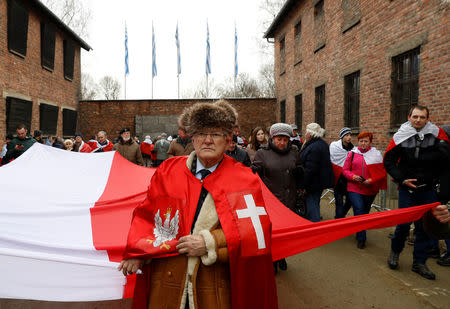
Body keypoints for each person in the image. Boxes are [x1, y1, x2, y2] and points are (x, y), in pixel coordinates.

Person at [118, 100, 277, 309]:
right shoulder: (168, 171)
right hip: (166, 282)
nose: (208, 140)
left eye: (216, 133)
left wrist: (209, 242)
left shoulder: (245, 178)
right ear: (192, 138)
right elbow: (147, 215)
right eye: (201, 133)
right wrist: (138, 252)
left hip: (212, 286)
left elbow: (255, 233)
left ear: (229, 140)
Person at [384, 105, 450, 280]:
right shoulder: (401, 136)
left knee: (424, 228)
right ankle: (395, 252)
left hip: (428, 189)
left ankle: (419, 262)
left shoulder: (437, 135)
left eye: (422, 117)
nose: (418, 120)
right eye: (415, 116)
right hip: (407, 189)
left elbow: (445, 160)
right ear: (409, 117)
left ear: (427, 119)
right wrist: (401, 179)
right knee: (403, 225)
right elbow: (389, 161)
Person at [251, 123, 302, 273]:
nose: (282, 143)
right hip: (271, 201)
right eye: (279, 139)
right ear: (272, 139)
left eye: (285, 140)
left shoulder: (294, 152)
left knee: (285, 232)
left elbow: (298, 168)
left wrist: (300, 172)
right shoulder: (263, 153)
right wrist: (253, 170)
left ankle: (282, 256)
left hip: (289, 198)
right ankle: (272, 259)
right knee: (272, 232)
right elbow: (256, 171)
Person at [342, 132, 386, 249]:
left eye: (366, 141)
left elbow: (381, 173)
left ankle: (359, 230)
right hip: (354, 187)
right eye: (361, 141)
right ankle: (362, 238)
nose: (363, 143)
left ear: (370, 142)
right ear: (358, 142)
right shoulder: (352, 154)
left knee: (365, 213)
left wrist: (371, 180)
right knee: (359, 208)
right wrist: (354, 177)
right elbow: (345, 170)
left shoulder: (376, 155)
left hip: (370, 189)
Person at [299, 123, 334, 222]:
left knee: (312, 206)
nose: (305, 134)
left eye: (306, 132)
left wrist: (304, 185)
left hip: (313, 183)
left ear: (310, 134)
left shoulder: (313, 147)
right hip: (319, 182)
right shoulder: (322, 144)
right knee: (315, 202)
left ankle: (314, 226)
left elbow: (310, 169)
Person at [330, 127, 355, 219]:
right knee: (339, 201)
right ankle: (338, 219)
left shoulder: (354, 150)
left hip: (348, 180)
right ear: (342, 137)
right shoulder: (334, 147)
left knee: (350, 200)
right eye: (346, 135)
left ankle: (340, 215)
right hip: (338, 179)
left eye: (350, 135)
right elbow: (331, 159)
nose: (349, 137)